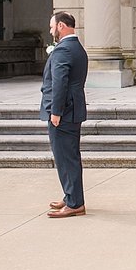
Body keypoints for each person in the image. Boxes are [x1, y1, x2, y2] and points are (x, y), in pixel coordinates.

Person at [40, 11, 89, 218]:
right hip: (74, 109)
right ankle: (71, 197)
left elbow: (60, 83)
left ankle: (75, 203)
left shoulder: (63, 51)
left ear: (61, 26)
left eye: (52, 27)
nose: (51, 31)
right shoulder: (77, 48)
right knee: (70, 156)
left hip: (64, 111)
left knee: (65, 157)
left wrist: (55, 112)